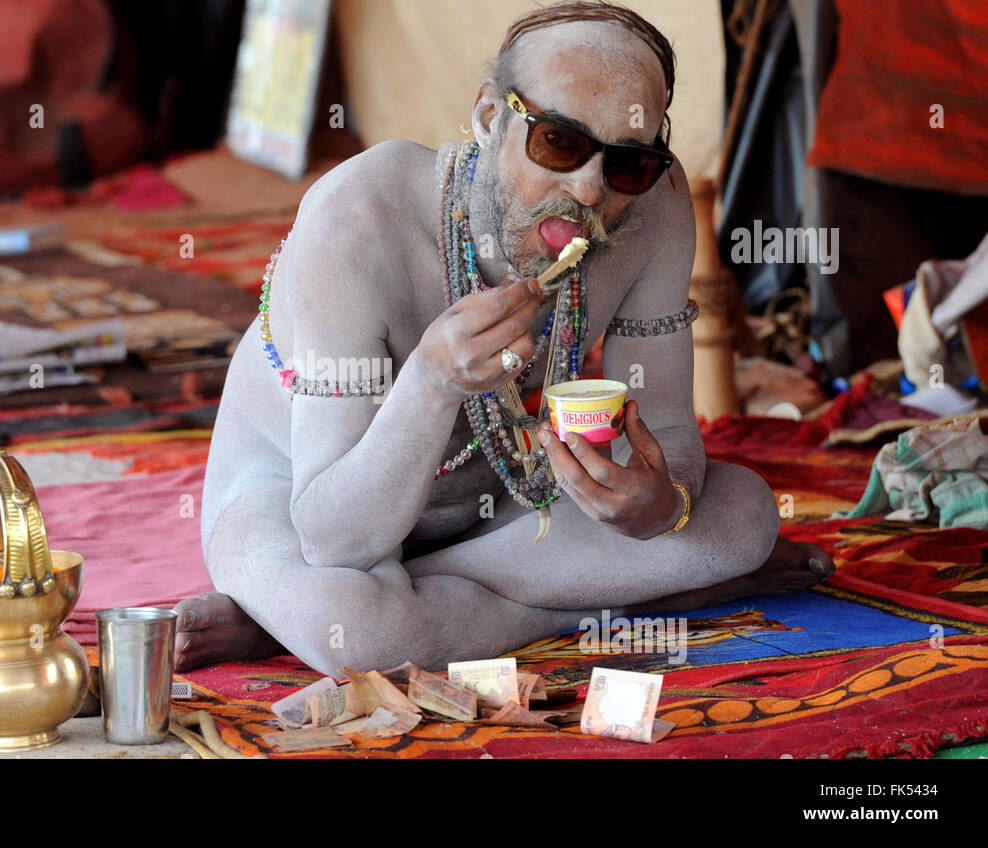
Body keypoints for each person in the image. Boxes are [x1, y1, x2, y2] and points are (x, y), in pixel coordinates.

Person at [175, 1, 835, 677]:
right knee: (353, 625)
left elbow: (666, 430)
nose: (589, 190)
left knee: (744, 516)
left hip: (505, 503)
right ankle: (628, 600)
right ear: (490, 116)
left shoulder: (653, 207)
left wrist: (661, 504)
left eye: (628, 161)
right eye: (560, 143)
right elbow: (332, 542)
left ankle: (351, 611)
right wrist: (430, 382)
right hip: (299, 498)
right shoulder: (356, 218)